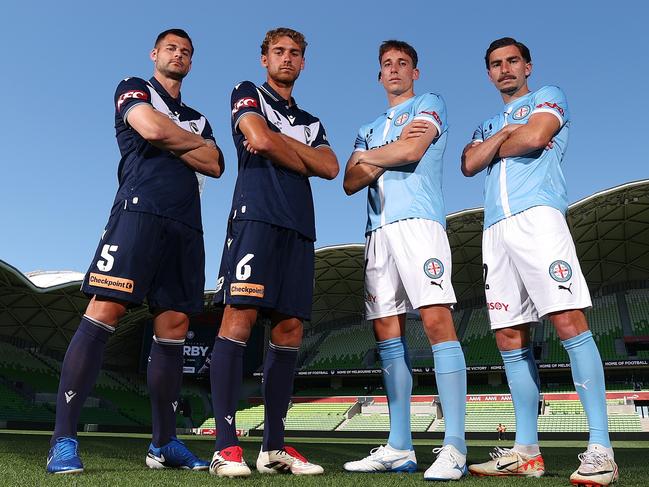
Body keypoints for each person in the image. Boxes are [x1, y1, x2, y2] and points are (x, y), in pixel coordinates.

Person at [46, 28, 223, 474]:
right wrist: (187, 144)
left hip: (186, 225)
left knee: (175, 325)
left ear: (191, 61)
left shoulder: (200, 117)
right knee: (106, 310)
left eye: (186, 52)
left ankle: (164, 443)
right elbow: (148, 126)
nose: (178, 55)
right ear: (155, 54)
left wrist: (173, 138)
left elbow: (217, 164)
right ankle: (63, 439)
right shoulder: (134, 87)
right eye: (171, 49)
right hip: (139, 212)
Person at [462, 37, 617, 485]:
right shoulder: (488, 121)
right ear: (489, 73)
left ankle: (601, 448)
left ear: (527, 66)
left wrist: (503, 140)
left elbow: (536, 135)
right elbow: (469, 162)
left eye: (512, 61)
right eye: (495, 64)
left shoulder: (550, 96)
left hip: (539, 218)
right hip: (495, 229)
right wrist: (505, 136)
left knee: (568, 320)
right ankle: (526, 452)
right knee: (509, 335)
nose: (505, 69)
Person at [208, 27, 338, 478]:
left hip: (299, 227)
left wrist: (279, 144)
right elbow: (257, 140)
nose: (287, 59)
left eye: (295, 53)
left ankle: (273, 448)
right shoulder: (248, 92)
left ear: (303, 63)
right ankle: (225, 447)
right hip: (256, 218)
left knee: (289, 329)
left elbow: (330, 166)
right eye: (279, 52)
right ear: (265, 59)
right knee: (239, 318)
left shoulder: (312, 120)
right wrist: (299, 154)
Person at [342, 40, 467, 481]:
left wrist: (372, 158)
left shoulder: (430, 103)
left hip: (420, 224)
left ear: (415, 72)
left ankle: (454, 446)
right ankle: (399, 446)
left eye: (402, 64)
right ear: (379, 76)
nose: (394, 70)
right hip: (377, 232)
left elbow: (412, 153)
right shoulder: (368, 125)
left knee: (436, 321)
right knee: (387, 331)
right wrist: (387, 151)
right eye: (387, 65)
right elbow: (350, 180)